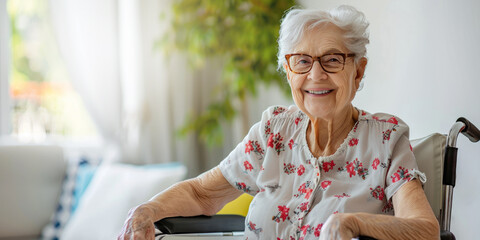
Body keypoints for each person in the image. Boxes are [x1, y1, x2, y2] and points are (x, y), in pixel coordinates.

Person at [118, 5, 440, 240]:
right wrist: (148, 210)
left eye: (332, 59)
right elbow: (203, 193)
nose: (315, 75)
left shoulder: (385, 140)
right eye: (301, 61)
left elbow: (425, 230)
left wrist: (353, 223)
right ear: (288, 72)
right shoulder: (274, 131)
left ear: (357, 71)